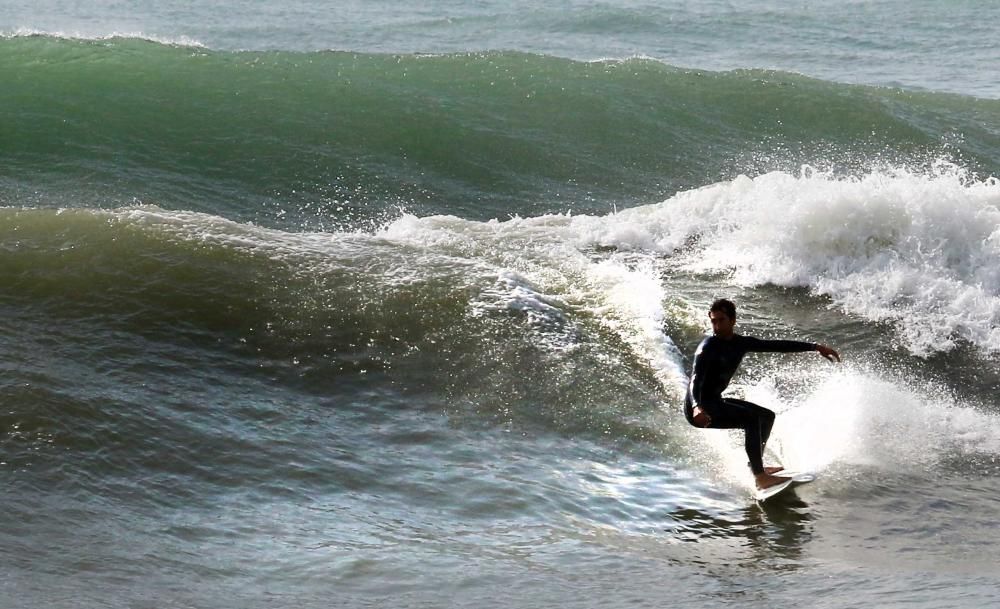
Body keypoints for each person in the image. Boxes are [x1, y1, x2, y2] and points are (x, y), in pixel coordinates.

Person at [685, 298, 840, 490]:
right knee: (750, 418)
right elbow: (695, 379)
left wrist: (815, 347)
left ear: (733, 320)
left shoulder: (740, 343)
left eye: (721, 320)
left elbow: (777, 346)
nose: (716, 326)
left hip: (715, 402)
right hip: (700, 408)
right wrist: (696, 407)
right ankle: (760, 477)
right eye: (713, 321)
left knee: (767, 416)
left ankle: (755, 466)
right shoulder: (708, 347)